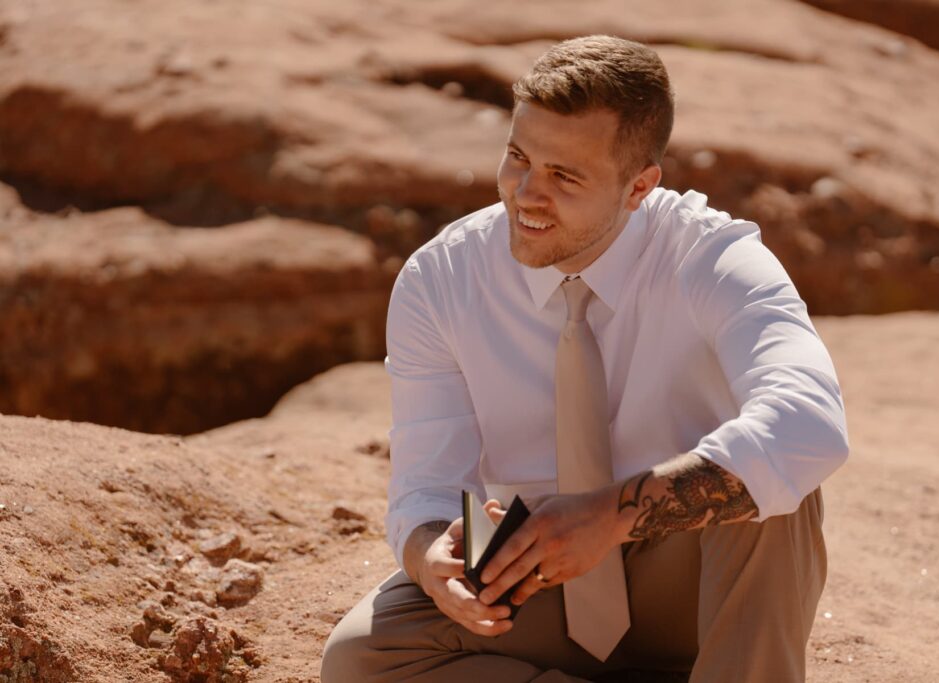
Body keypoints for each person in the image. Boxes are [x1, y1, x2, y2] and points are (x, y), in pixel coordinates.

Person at [321, 34, 848, 682]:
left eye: (564, 176)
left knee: (771, 490)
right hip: (535, 583)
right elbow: (425, 486)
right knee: (360, 660)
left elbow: (811, 421)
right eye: (518, 157)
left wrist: (612, 514)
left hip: (691, 586)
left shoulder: (714, 259)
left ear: (640, 188)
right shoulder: (443, 278)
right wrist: (435, 556)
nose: (525, 194)